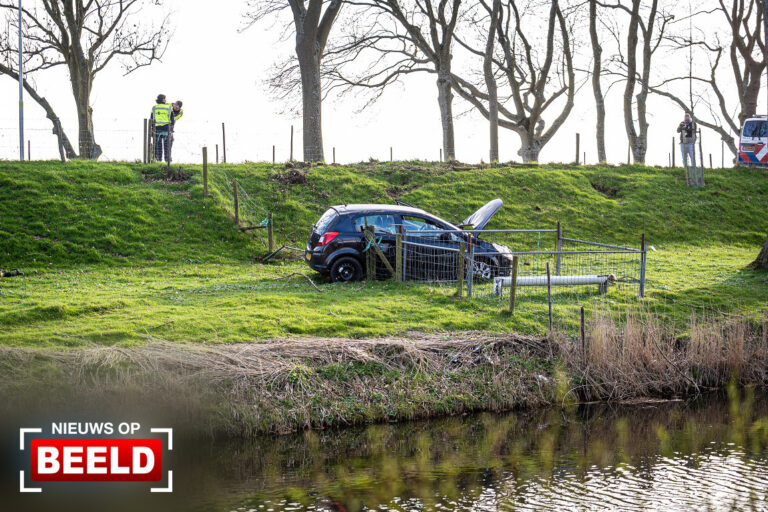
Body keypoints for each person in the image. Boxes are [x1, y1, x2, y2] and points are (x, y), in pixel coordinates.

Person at [150, 94, 173, 162]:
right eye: (165, 98)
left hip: (157, 129)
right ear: (163, 99)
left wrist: (152, 128)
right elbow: (172, 119)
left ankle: (159, 161)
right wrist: (171, 128)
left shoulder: (154, 108)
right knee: (167, 147)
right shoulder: (169, 107)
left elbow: (151, 118)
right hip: (167, 129)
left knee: (158, 147)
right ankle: (167, 162)